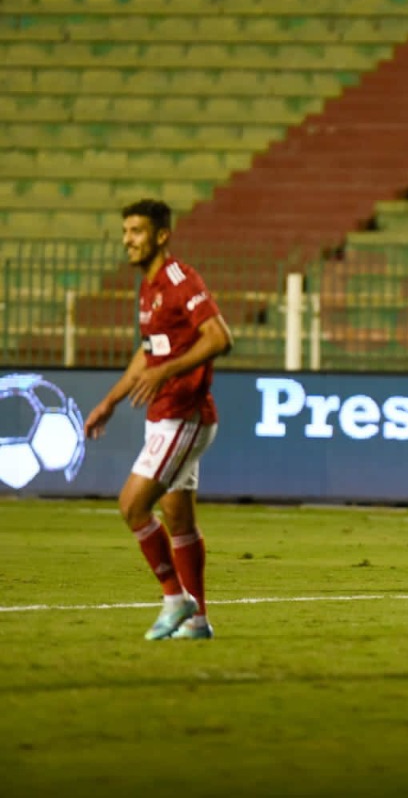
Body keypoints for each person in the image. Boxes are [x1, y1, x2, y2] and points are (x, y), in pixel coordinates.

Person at [84, 199, 233, 639]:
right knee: (178, 519)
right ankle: (198, 621)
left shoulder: (179, 280)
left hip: (184, 416)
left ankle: (175, 599)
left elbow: (219, 337)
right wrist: (110, 401)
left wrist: (166, 372)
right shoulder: (149, 288)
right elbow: (149, 353)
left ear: (161, 235)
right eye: (125, 231)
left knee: (132, 506)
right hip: (164, 414)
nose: (127, 240)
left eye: (137, 231)